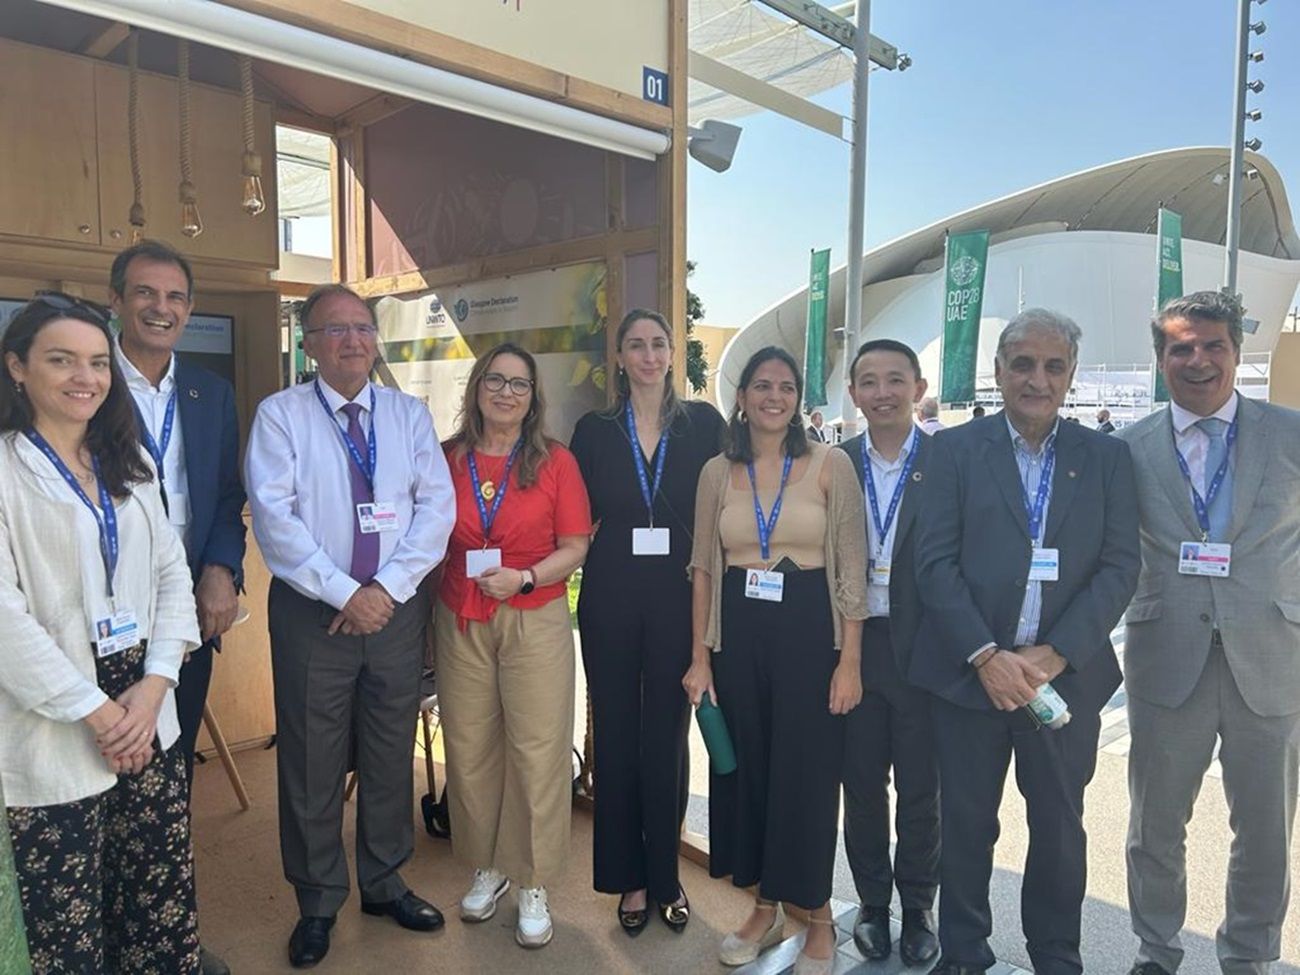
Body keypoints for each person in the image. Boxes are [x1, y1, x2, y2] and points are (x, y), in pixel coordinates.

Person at [912, 309, 1140, 975]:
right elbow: (933, 563)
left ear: (1070, 374)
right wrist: (986, 654)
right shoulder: (953, 450)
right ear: (999, 371)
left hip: (1062, 682)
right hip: (969, 677)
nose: (1037, 378)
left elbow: (1121, 566)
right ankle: (963, 952)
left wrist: (1054, 654)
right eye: (1023, 364)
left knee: (1060, 830)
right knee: (965, 826)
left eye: (1053, 365)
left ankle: (1056, 957)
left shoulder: (1107, 457)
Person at [245, 284, 455, 968]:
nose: (353, 340)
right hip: (313, 613)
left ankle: (385, 880)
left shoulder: (407, 414)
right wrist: (345, 591)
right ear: (310, 342)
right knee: (312, 758)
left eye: (363, 327)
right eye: (335, 329)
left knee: (393, 749)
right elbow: (276, 521)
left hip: (394, 610)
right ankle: (317, 900)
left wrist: (384, 590)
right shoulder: (281, 416)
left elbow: (436, 510)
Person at [1, 293, 203, 972]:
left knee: (156, 897)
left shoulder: (127, 462)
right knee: (68, 920)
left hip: (145, 707)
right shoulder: (5, 472)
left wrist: (150, 693)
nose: (84, 376)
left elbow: (173, 576)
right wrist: (102, 712)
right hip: (61, 717)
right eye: (61, 359)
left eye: (96, 361)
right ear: (17, 367)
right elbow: (5, 619)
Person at [1120, 292, 1300, 975]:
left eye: (1212, 345)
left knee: (1264, 829)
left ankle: (1249, 955)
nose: (1197, 360)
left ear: (1236, 351)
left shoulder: (1291, 434)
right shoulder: (1126, 446)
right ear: (1161, 358)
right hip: (1167, 659)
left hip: (1273, 656)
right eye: (1180, 348)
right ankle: (1156, 950)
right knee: (1156, 826)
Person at [685, 345, 867, 975]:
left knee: (809, 777)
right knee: (752, 773)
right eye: (761, 385)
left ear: (798, 399)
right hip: (739, 636)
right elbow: (704, 569)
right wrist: (700, 659)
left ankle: (816, 915)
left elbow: (852, 569)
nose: (773, 396)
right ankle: (765, 906)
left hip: (810, 635)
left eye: (786, 386)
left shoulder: (828, 463)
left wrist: (850, 662)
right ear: (741, 396)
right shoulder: (717, 472)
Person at [108, 241, 246, 975]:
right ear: (118, 300)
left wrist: (221, 568)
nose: (162, 308)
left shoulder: (208, 390)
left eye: (176, 297)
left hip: (189, 611)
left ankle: (166, 939)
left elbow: (226, 492)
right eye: (146, 293)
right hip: (106, 617)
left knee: (169, 784)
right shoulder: (88, 382)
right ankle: (108, 943)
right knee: (106, 785)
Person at [570, 309, 724, 936]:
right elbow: (573, 515)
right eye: (636, 345)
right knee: (615, 734)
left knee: (667, 735)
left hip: (679, 593)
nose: (649, 355)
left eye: (659, 343)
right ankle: (627, 879)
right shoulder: (594, 429)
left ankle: (665, 874)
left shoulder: (705, 425)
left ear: (674, 352)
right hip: (608, 593)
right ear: (620, 357)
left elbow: (730, 504)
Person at [434, 342, 591, 950]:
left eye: (519, 384)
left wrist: (525, 576)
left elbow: (576, 545)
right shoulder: (447, 458)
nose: (506, 392)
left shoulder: (555, 462)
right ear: (477, 388)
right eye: (495, 380)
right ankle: (489, 868)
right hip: (460, 616)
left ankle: (532, 880)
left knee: (537, 749)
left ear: (533, 398)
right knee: (469, 747)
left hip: (534, 613)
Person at [837, 339, 940, 967]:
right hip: (854, 644)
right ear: (853, 394)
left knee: (924, 788)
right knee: (863, 784)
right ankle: (873, 902)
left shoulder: (948, 458)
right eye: (869, 382)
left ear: (918, 387)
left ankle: (920, 905)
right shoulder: (834, 462)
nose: (883, 392)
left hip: (925, 647)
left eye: (895, 380)